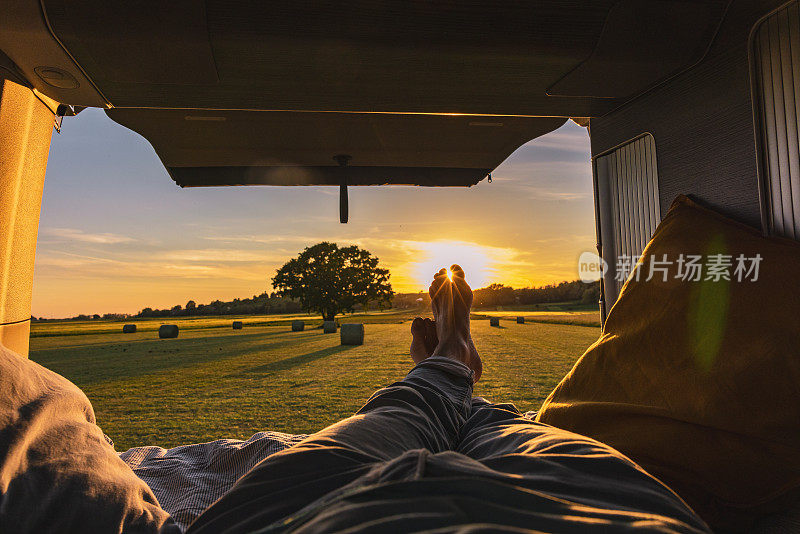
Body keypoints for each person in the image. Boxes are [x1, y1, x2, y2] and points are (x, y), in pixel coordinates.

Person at [187, 266, 710, 533]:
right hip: (600, 510)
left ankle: (447, 364)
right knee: (508, 430)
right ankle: (456, 360)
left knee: (403, 411)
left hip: (283, 511)